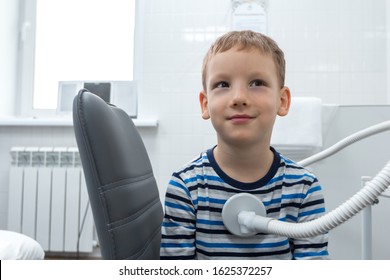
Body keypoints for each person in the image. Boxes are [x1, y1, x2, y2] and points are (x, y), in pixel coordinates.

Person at [160, 30, 329, 260]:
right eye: (223, 84)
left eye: (256, 83)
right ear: (205, 104)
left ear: (282, 101)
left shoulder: (304, 188)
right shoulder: (186, 187)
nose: (239, 97)